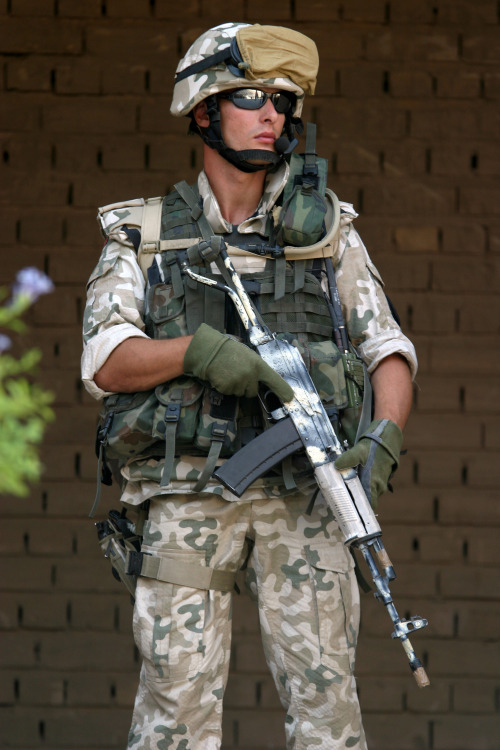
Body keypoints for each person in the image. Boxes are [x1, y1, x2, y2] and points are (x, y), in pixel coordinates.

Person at [82, 22, 417, 750]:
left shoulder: (328, 235)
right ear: (203, 110)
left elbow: (387, 348)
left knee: (328, 713)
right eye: (254, 98)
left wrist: (382, 436)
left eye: (286, 104)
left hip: (305, 495)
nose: (275, 116)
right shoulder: (144, 235)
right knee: (175, 714)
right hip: (187, 495)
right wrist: (197, 353)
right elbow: (107, 359)